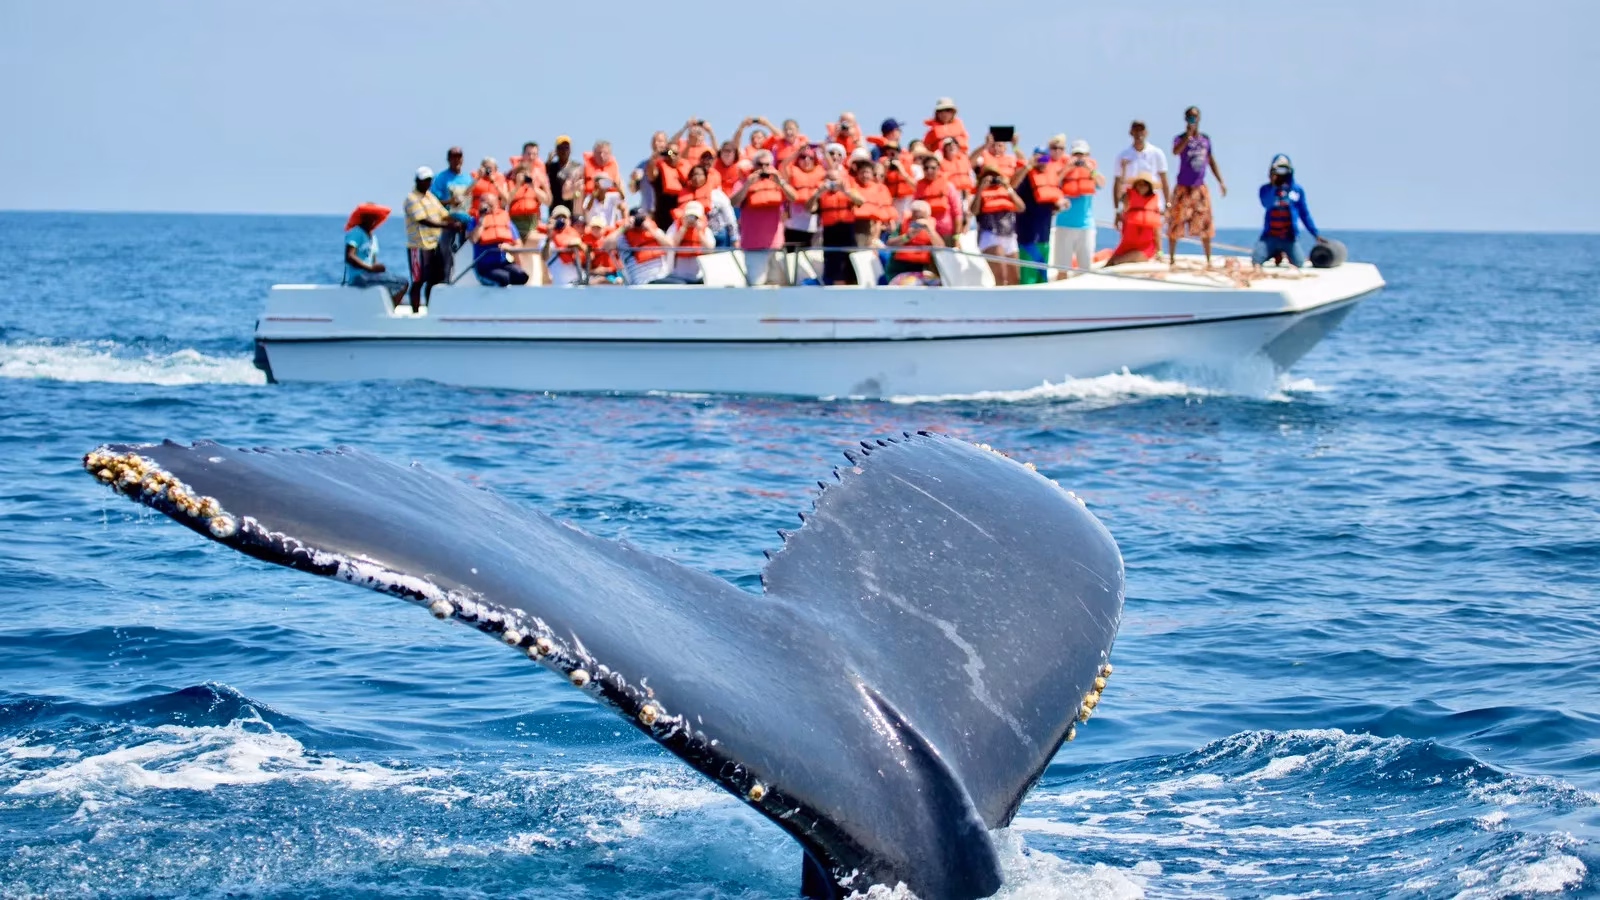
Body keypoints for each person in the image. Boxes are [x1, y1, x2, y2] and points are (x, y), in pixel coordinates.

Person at [1168, 106, 1228, 265]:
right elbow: (1175, 151)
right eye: (1189, 116)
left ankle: (1208, 260)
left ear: (1199, 118)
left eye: (1194, 116)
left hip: (1199, 186)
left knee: (1205, 223)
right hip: (1183, 186)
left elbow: (1211, 161)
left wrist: (1220, 181)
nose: (1192, 119)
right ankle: (1172, 259)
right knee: (1176, 221)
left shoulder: (1205, 140)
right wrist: (1188, 136)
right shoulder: (1180, 138)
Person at [729, 150, 795, 285]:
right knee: (757, 285)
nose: (764, 168)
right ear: (754, 165)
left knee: (777, 285)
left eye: (767, 165)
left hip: (775, 245)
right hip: (753, 246)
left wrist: (780, 181)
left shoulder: (777, 182)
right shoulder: (743, 183)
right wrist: (748, 184)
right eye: (760, 164)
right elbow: (733, 202)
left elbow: (793, 197)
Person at [404, 167, 460, 310]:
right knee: (418, 280)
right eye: (424, 180)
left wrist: (460, 219)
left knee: (434, 279)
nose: (427, 183)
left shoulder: (430, 196)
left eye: (429, 180)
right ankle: (415, 311)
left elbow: (443, 213)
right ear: (418, 181)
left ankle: (431, 309)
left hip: (433, 245)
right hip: (418, 246)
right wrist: (447, 226)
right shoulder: (412, 198)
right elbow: (422, 220)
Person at [1253, 154, 1323, 269]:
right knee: (1256, 261)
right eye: (1278, 169)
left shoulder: (1296, 190)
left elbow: (1304, 213)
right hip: (1270, 237)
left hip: (1289, 237)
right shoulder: (1265, 189)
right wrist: (1274, 186)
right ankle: (1274, 253)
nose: (1281, 173)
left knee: (1299, 263)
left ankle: (1283, 252)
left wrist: (1315, 234)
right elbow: (1267, 203)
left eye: (1284, 169)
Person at [1053, 140, 1105, 277]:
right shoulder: (1063, 170)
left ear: (1088, 155)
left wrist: (1090, 169)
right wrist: (1067, 169)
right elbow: (1053, 183)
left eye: (1082, 155)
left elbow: (1102, 183)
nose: (1079, 158)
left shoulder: (1091, 172)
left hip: (1086, 226)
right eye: (1076, 154)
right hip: (1064, 225)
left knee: (1085, 270)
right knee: (1062, 269)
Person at [1013, 148, 1063, 284]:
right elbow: (1012, 186)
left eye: (1046, 159)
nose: (1043, 162)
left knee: (1042, 278)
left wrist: (1059, 205)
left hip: (1044, 237)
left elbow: (1050, 203)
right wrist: (1028, 165)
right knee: (1028, 278)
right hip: (1028, 237)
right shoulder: (1026, 178)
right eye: (1040, 158)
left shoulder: (1050, 179)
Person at [969, 165, 1026, 285]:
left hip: (1009, 235)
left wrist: (1008, 187)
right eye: (989, 177)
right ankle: (999, 302)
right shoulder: (980, 192)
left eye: (996, 176)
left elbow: (1021, 207)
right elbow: (974, 211)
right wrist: (980, 189)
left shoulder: (1006, 190)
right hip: (990, 235)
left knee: (1015, 279)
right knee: (1002, 277)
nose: (993, 179)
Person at [343, 203, 409, 303]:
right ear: (364, 217)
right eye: (370, 217)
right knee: (403, 283)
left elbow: (373, 261)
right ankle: (390, 311)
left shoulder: (373, 237)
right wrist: (371, 268)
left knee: (396, 282)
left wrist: (378, 268)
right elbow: (349, 257)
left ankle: (388, 307)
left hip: (369, 276)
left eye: (375, 217)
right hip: (358, 277)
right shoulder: (356, 233)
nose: (373, 220)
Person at [605, 210, 694, 285]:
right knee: (681, 284)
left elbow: (670, 246)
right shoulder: (623, 237)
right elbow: (606, 246)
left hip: (662, 276)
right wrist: (623, 228)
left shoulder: (653, 231)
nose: (639, 222)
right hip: (644, 281)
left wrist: (651, 230)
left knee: (690, 283)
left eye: (642, 218)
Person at [1113, 121, 1170, 231]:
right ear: (1131, 132)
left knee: (1154, 240)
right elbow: (1117, 184)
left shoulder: (1157, 153)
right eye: (1136, 130)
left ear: (1146, 132)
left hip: (1153, 205)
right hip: (1130, 205)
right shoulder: (1122, 155)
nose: (1139, 133)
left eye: (1141, 130)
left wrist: (1167, 206)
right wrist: (1117, 210)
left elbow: (1164, 181)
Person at [810, 170, 864, 285]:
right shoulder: (821, 195)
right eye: (830, 179)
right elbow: (809, 208)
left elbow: (860, 201)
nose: (833, 183)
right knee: (835, 270)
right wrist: (817, 193)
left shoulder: (849, 191)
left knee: (851, 268)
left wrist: (846, 191)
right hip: (831, 236)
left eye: (835, 179)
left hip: (847, 234)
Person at [468, 193, 529, 286]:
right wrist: (481, 220)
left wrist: (509, 247)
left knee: (521, 275)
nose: (488, 207)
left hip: (502, 263)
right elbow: (473, 239)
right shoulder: (474, 221)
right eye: (484, 203)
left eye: (491, 204)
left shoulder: (505, 220)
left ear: (497, 204)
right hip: (484, 266)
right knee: (504, 278)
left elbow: (518, 244)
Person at [885, 199, 946, 282]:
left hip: (921, 270)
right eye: (915, 217)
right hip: (899, 270)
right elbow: (889, 244)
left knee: (937, 283)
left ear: (928, 216)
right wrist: (907, 237)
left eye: (921, 218)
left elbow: (941, 248)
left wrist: (930, 231)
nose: (917, 221)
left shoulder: (932, 227)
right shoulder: (903, 224)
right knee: (911, 283)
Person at [1108, 172, 1162, 265]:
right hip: (1126, 245)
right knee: (1110, 262)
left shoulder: (1154, 206)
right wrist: (1123, 169)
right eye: (1139, 184)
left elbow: (1157, 232)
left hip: (1144, 248)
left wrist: (1160, 252)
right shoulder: (1128, 199)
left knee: (1119, 260)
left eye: (1145, 184)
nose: (1142, 186)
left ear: (1149, 187)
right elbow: (1120, 192)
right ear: (1135, 186)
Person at [430, 146, 476, 250]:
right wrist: (450, 202)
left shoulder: (469, 178)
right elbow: (432, 202)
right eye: (453, 157)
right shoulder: (440, 178)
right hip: (449, 221)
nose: (456, 160)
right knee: (447, 251)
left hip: (467, 222)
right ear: (448, 159)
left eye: (459, 157)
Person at [781, 144, 825, 251]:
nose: (806, 160)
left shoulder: (821, 173)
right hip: (793, 226)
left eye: (810, 158)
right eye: (803, 157)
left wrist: (825, 151)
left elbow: (833, 168)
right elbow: (783, 166)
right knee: (790, 257)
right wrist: (797, 151)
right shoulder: (792, 173)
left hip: (812, 227)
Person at [913, 153, 964, 240]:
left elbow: (957, 213)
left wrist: (957, 237)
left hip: (946, 233)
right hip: (926, 234)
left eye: (933, 168)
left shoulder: (948, 186)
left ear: (938, 168)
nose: (929, 171)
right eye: (926, 168)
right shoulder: (919, 188)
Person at [664, 200, 715, 283]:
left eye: (695, 217)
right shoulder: (675, 227)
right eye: (690, 216)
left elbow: (710, 249)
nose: (692, 220)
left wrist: (700, 233)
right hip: (678, 276)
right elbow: (670, 245)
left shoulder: (705, 230)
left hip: (699, 276)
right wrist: (683, 228)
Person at [541, 205, 586, 286]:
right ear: (552, 219)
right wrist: (549, 237)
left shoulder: (573, 234)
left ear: (568, 220)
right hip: (558, 285)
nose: (561, 220)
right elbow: (544, 257)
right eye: (558, 217)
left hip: (577, 283)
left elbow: (582, 252)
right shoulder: (545, 239)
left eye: (564, 217)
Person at [507, 157, 549, 238]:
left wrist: (534, 188)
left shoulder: (534, 187)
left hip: (531, 228)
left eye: (526, 173)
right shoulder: (511, 185)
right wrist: (517, 186)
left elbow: (546, 201)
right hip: (516, 228)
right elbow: (506, 201)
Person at [631, 131, 670, 216]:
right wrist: (633, 180)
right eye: (654, 141)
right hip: (647, 211)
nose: (656, 144)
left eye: (660, 141)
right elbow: (633, 190)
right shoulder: (643, 165)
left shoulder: (670, 163)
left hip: (666, 211)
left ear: (666, 143)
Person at [545, 136, 584, 215]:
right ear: (556, 150)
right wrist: (548, 162)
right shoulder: (552, 167)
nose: (564, 151)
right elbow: (542, 177)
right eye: (561, 148)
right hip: (555, 209)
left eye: (566, 148)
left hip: (572, 209)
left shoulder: (576, 166)